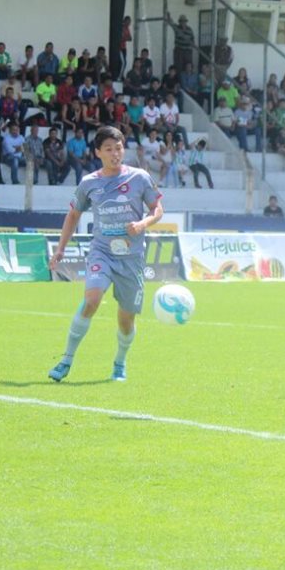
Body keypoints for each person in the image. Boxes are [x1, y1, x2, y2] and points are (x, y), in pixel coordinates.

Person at [47, 126, 163, 383]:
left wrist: (143, 224)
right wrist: (61, 248)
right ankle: (66, 359)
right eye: (108, 149)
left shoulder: (140, 177)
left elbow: (157, 209)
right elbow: (74, 214)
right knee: (92, 299)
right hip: (102, 252)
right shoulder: (89, 183)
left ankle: (119, 363)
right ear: (98, 152)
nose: (115, 153)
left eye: (119, 148)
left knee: (125, 319)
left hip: (131, 258)